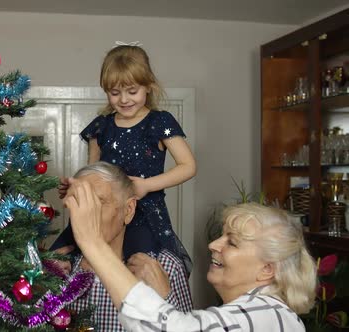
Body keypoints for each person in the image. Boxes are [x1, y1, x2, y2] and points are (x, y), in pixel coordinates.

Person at [64, 181, 317, 332]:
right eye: (222, 235)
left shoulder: (266, 314)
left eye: (233, 242)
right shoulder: (252, 311)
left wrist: (93, 242)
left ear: (267, 270)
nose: (213, 245)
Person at [51, 44, 196, 271]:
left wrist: (147, 185)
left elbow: (188, 166)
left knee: (138, 271)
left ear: (148, 86)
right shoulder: (101, 126)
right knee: (58, 260)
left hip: (144, 215)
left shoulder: (159, 122)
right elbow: (93, 173)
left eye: (132, 91)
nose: (124, 100)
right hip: (104, 214)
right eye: (115, 93)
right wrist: (76, 187)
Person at [64, 162, 192, 330]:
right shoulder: (58, 270)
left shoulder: (166, 267)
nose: (88, 213)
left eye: (99, 202)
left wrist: (165, 297)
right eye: (80, 203)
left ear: (128, 210)